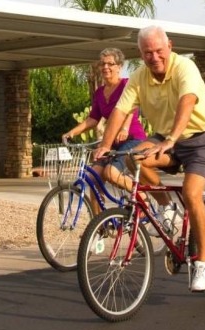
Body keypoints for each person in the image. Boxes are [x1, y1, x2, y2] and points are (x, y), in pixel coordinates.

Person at [93, 26, 205, 292]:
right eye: (147, 52)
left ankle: (203, 264)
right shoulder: (139, 78)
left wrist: (171, 140)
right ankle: (167, 209)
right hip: (167, 139)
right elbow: (120, 111)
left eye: (158, 51)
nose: (154, 57)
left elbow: (187, 101)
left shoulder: (184, 68)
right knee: (133, 157)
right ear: (140, 54)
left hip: (202, 140)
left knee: (191, 193)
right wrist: (105, 146)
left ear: (170, 47)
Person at [62, 47, 146, 214]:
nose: (105, 67)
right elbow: (93, 118)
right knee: (94, 179)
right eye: (102, 64)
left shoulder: (126, 84)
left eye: (110, 64)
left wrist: (124, 127)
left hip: (132, 138)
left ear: (119, 66)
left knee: (111, 174)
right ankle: (99, 227)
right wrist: (72, 132)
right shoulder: (99, 92)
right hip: (111, 142)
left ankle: (143, 195)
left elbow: (131, 107)